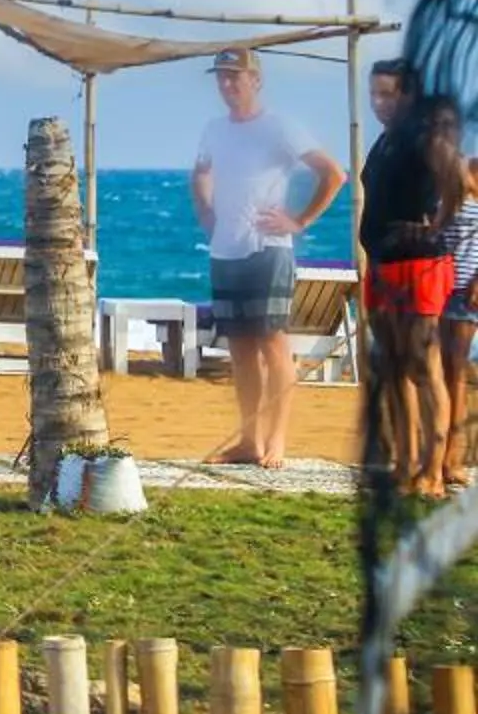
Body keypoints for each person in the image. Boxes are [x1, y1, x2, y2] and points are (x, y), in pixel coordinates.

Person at [193, 46, 345, 469]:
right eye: (221, 77)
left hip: (268, 248)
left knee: (272, 342)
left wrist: (300, 220)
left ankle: (277, 439)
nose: (227, 84)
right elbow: (201, 172)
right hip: (226, 248)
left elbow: (333, 174)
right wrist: (207, 212)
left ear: (255, 81)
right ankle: (249, 440)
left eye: (234, 77)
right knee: (240, 347)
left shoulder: (279, 126)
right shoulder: (214, 128)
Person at [360, 61, 454, 495]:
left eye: (387, 94)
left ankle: (433, 472)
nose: (379, 102)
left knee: (423, 364)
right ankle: (405, 462)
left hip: (419, 264)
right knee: (393, 364)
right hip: (383, 262)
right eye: (374, 94)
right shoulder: (384, 141)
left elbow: (456, 179)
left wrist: (437, 222)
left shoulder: (423, 138)